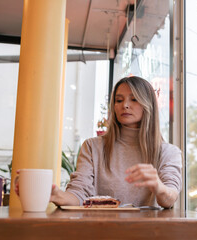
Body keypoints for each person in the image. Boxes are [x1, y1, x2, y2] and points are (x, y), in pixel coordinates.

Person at [16, 76, 182, 208]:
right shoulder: (92, 147)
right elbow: (79, 193)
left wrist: (158, 186)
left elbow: (169, 199)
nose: (125, 105)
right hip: (100, 231)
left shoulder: (168, 152)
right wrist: (55, 195)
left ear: (148, 105)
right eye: (119, 100)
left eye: (134, 99)